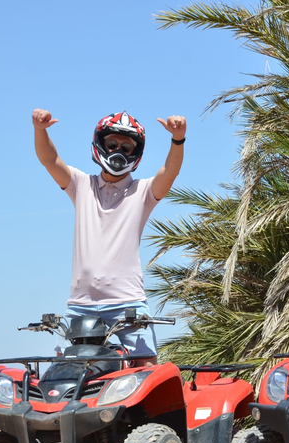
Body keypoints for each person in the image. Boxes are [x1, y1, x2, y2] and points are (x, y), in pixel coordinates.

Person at [32, 108, 187, 366]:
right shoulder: (82, 185)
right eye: (112, 143)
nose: (118, 151)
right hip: (81, 303)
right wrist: (40, 130)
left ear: (136, 154)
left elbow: (169, 172)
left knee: (147, 370)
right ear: (100, 144)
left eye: (126, 147)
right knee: (65, 372)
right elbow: (50, 160)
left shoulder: (143, 192)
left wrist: (178, 139)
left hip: (128, 303)